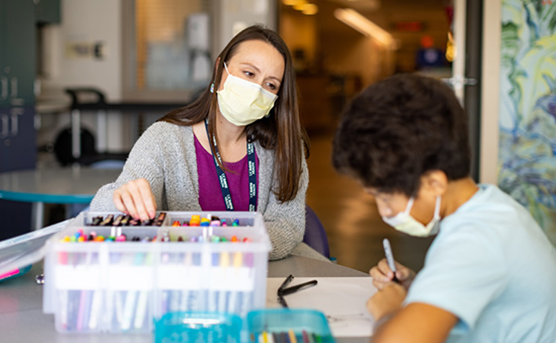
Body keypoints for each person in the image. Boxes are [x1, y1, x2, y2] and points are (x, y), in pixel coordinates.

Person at [332, 74, 556, 342]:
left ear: (434, 183)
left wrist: (390, 313)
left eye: (385, 197)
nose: (385, 212)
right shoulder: (493, 207)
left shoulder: (477, 238)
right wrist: (420, 289)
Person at [89, 25, 310, 260]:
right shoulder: (164, 139)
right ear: (219, 69)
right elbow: (103, 213)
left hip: (265, 277)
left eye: (270, 85)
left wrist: (225, 249)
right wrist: (123, 199)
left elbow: (287, 225)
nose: (256, 90)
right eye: (249, 73)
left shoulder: (284, 148)